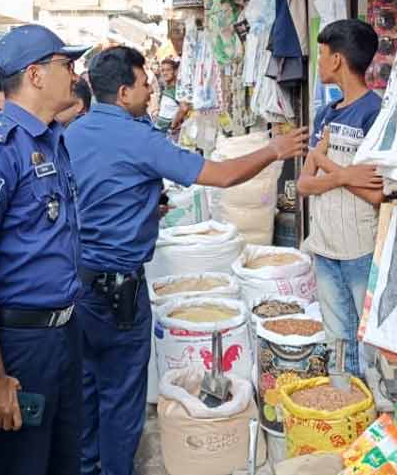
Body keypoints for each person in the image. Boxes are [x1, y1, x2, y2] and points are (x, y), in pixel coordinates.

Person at [64, 46, 308, 475]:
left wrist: (141, 207)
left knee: (85, 387)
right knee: (122, 394)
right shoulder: (140, 138)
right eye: (144, 84)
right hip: (119, 288)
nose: (151, 90)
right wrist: (275, 150)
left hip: (75, 284)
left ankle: (86, 467)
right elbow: (223, 175)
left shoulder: (72, 134)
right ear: (123, 92)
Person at [0, 24, 87, 475]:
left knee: (65, 461)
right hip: (20, 343)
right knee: (20, 464)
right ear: (35, 75)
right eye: (66, 65)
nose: (74, 74)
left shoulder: (50, 139)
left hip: (63, 333)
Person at [296, 19, 385, 377]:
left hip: (360, 248)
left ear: (336, 60)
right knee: (337, 337)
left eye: (322, 54)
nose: (319, 63)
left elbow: (377, 193)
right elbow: (304, 183)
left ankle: (371, 413)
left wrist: (325, 164)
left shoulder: (374, 112)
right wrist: (346, 174)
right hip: (325, 245)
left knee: (367, 338)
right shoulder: (324, 115)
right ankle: (343, 408)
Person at [152, 59, 187, 136]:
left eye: (168, 70)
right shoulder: (167, 89)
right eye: (163, 70)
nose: (164, 73)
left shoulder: (177, 89)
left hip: (168, 133)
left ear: (174, 72)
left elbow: (184, 108)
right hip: (160, 130)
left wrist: (173, 126)